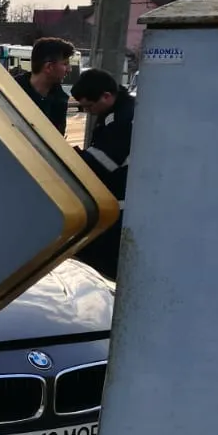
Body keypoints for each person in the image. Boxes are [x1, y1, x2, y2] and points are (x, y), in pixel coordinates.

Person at [69, 68, 136, 281]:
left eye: (90, 106)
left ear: (106, 96)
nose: (89, 112)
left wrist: (70, 157)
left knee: (100, 268)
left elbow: (99, 164)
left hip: (119, 208)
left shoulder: (123, 120)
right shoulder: (116, 112)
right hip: (116, 205)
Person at [14, 37, 75, 135]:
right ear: (49, 67)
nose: (69, 69)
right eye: (65, 64)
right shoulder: (10, 91)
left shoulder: (60, 100)